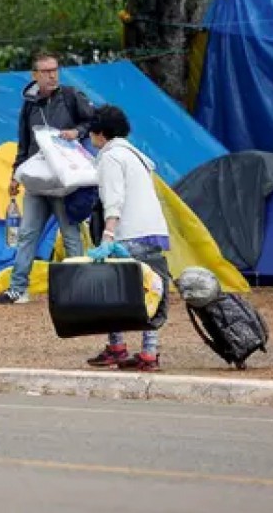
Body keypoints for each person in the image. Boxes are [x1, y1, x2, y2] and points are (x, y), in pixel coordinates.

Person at [0, 51, 94, 305]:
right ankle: (18, 289)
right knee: (27, 233)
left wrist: (77, 132)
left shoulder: (71, 96)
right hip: (37, 181)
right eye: (46, 71)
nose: (52, 75)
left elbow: (93, 121)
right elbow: (24, 143)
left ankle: (77, 291)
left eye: (55, 70)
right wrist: (16, 173)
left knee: (70, 235)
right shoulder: (29, 105)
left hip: (63, 182)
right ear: (35, 75)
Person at [83, 105, 171, 372]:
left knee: (112, 290)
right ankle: (148, 353)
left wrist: (107, 236)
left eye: (92, 133)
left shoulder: (110, 157)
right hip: (155, 233)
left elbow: (114, 199)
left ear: (100, 134)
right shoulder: (137, 156)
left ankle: (117, 347)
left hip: (128, 234)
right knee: (151, 291)